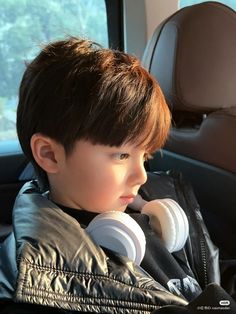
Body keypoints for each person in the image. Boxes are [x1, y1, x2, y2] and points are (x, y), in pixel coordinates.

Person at [0, 37, 235, 313]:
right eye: (122, 155)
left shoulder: (157, 206)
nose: (141, 176)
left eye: (145, 156)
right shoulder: (38, 287)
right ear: (50, 155)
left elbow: (213, 272)